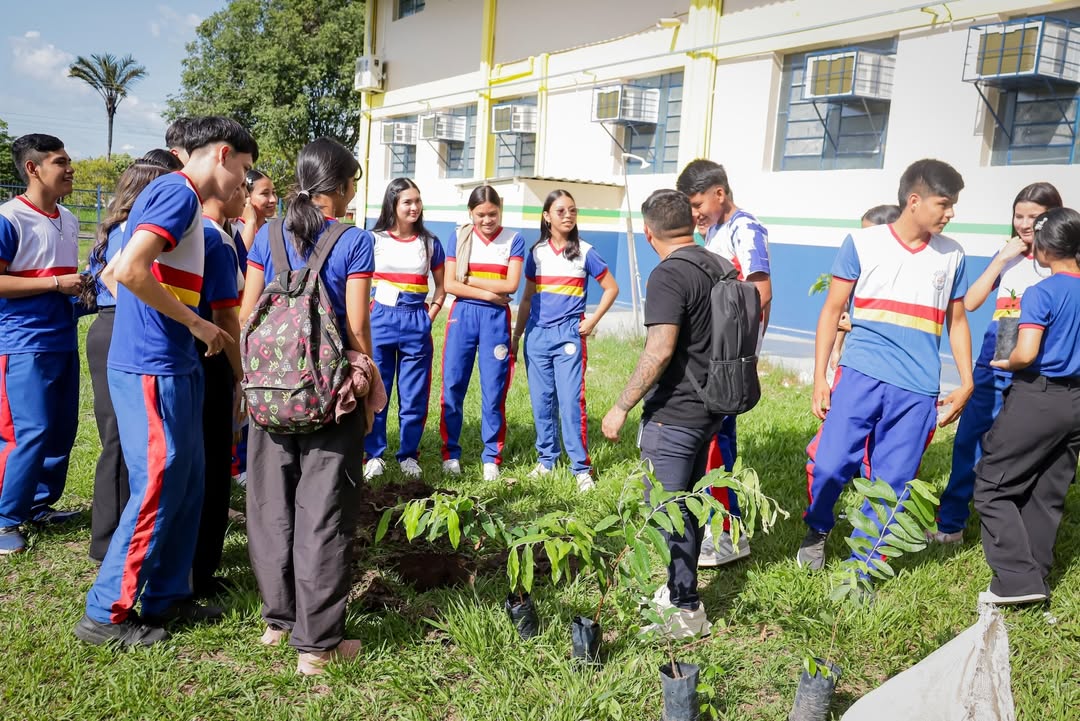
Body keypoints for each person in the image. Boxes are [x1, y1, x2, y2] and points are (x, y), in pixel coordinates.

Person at [75, 117, 256, 647]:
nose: (242, 184)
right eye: (243, 171)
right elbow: (129, 271)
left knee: (188, 481)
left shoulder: (187, 206)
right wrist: (196, 322)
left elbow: (115, 272)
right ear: (222, 154)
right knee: (159, 480)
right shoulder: (177, 193)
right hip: (151, 366)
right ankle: (105, 614)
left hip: (179, 365)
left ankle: (165, 597)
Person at [800, 159, 974, 572]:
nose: (950, 214)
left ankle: (864, 565)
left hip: (916, 389)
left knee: (892, 484)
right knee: (829, 464)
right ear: (914, 201)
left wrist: (967, 381)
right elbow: (831, 310)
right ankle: (818, 528)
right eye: (944, 204)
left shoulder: (953, 255)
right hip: (859, 375)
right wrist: (821, 378)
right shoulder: (863, 243)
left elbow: (959, 320)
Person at [240, 137, 373, 676]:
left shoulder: (267, 234)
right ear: (340, 188)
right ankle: (316, 645)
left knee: (271, 505)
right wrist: (371, 384)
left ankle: (278, 621)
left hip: (268, 399)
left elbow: (248, 313)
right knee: (323, 514)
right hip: (328, 396)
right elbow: (357, 327)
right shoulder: (354, 240)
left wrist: (253, 383)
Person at [602, 189, 724, 639]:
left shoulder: (669, 275)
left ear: (650, 233)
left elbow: (659, 350)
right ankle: (677, 590)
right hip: (711, 408)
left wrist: (620, 407)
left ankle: (686, 609)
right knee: (688, 505)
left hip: (674, 414)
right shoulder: (718, 264)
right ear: (690, 224)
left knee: (670, 512)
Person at [935, 183, 1063, 545]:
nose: (1024, 224)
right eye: (1018, 215)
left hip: (1039, 355)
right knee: (971, 438)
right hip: (996, 348)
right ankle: (951, 525)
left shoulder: (1064, 259)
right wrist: (1002, 258)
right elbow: (972, 302)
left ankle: (1015, 524)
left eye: (1034, 217)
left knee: (1026, 444)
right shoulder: (1010, 255)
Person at [974, 207, 1080, 606]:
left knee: (991, 485)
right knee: (1047, 490)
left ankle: (1017, 581)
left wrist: (1005, 361)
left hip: (1039, 395)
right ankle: (1035, 574)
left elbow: (1026, 352)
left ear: (1047, 246)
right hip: (1077, 403)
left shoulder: (1042, 292)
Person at [85, 150, 183, 563]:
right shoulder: (135, 230)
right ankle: (107, 541)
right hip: (118, 327)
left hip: (111, 328)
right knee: (118, 441)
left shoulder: (119, 229)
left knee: (125, 441)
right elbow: (113, 275)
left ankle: (118, 533)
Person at [676, 159, 772, 567]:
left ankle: (730, 535)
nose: (694, 213)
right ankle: (721, 529)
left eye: (698, 203)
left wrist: (722, 344)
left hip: (726, 361)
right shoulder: (713, 229)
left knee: (717, 447)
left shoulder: (744, 228)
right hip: (711, 356)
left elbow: (759, 292)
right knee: (712, 444)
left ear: (720, 192)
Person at [0, 134, 85, 555]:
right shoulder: (9, 218)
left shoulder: (68, 219)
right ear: (33, 168)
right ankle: (4, 519)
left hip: (63, 338)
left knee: (61, 428)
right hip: (22, 342)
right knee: (26, 431)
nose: (70, 169)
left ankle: (37, 504)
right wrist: (54, 283)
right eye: (60, 162)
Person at [511, 190, 618, 491]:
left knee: (571, 402)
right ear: (546, 216)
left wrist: (592, 321)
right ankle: (546, 460)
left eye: (572, 210)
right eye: (561, 211)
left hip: (569, 335)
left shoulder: (586, 251)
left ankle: (581, 468)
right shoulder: (537, 253)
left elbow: (611, 288)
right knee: (542, 401)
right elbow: (528, 298)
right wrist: (518, 335)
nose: (568, 215)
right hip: (537, 336)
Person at [440, 185, 524, 482]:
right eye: (480, 215)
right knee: (453, 386)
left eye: (492, 214)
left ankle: (492, 457)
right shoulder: (459, 237)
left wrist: (469, 279)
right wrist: (489, 294)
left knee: (494, 389)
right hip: (463, 315)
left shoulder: (514, 239)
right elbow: (450, 285)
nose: (487, 220)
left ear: (500, 209)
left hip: (495, 321)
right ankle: (450, 454)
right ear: (470, 213)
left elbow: (511, 284)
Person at [364, 178, 446, 481]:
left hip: (416, 320)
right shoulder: (373, 240)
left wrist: (430, 315)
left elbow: (442, 288)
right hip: (380, 321)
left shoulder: (430, 243)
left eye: (417, 201)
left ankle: (409, 455)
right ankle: (373, 455)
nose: (414, 207)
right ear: (393, 205)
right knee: (376, 392)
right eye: (407, 202)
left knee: (414, 396)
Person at [191, 181, 247, 597]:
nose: (243, 192)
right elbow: (226, 317)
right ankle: (202, 569)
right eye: (242, 184)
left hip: (187, 360)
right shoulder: (218, 240)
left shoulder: (192, 232)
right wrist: (241, 376)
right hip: (214, 361)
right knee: (213, 465)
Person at [828, 205, 904, 374]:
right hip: (860, 359)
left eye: (869, 234)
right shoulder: (860, 262)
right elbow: (843, 307)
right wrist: (836, 349)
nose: (864, 240)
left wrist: (854, 323)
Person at [237, 169, 277, 252]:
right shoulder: (234, 228)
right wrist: (250, 222)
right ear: (247, 195)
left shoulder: (275, 231)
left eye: (274, 192)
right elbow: (241, 259)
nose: (273, 200)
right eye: (265, 193)